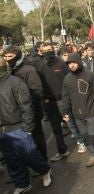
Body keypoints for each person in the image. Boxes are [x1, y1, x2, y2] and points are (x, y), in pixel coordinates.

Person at [0, 56, 52, 194]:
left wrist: (28, 128)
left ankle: (45, 170)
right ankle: (22, 184)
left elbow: (26, 106)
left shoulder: (15, 82)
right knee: (12, 159)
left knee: (30, 155)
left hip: (17, 126)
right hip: (2, 129)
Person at [3, 45, 48, 161]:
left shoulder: (28, 70)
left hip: (32, 110)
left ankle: (43, 164)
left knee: (37, 138)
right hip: (18, 113)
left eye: (10, 56)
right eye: (5, 56)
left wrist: (26, 105)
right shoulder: (10, 70)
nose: (7, 59)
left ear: (17, 56)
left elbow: (37, 91)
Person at [62, 53, 94, 169]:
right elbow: (65, 97)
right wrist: (65, 112)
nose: (71, 65)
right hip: (77, 114)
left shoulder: (90, 75)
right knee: (85, 136)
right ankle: (92, 155)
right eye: (69, 63)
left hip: (91, 112)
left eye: (73, 62)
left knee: (93, 135)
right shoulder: (67, 79)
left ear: (79, 62)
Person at [39, 42, 70, 162]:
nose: (48, 52)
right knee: (56, 128)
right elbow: (40, 85)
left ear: (54, 50)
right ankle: (62, 150)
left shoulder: (61, 64)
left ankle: (82, 142)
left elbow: (68, 82)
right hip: (49, 103)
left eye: (50, 49)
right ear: (41, 52)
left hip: (63, 100)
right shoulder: (41, 67)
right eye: (45, 50)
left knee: (71, 123)